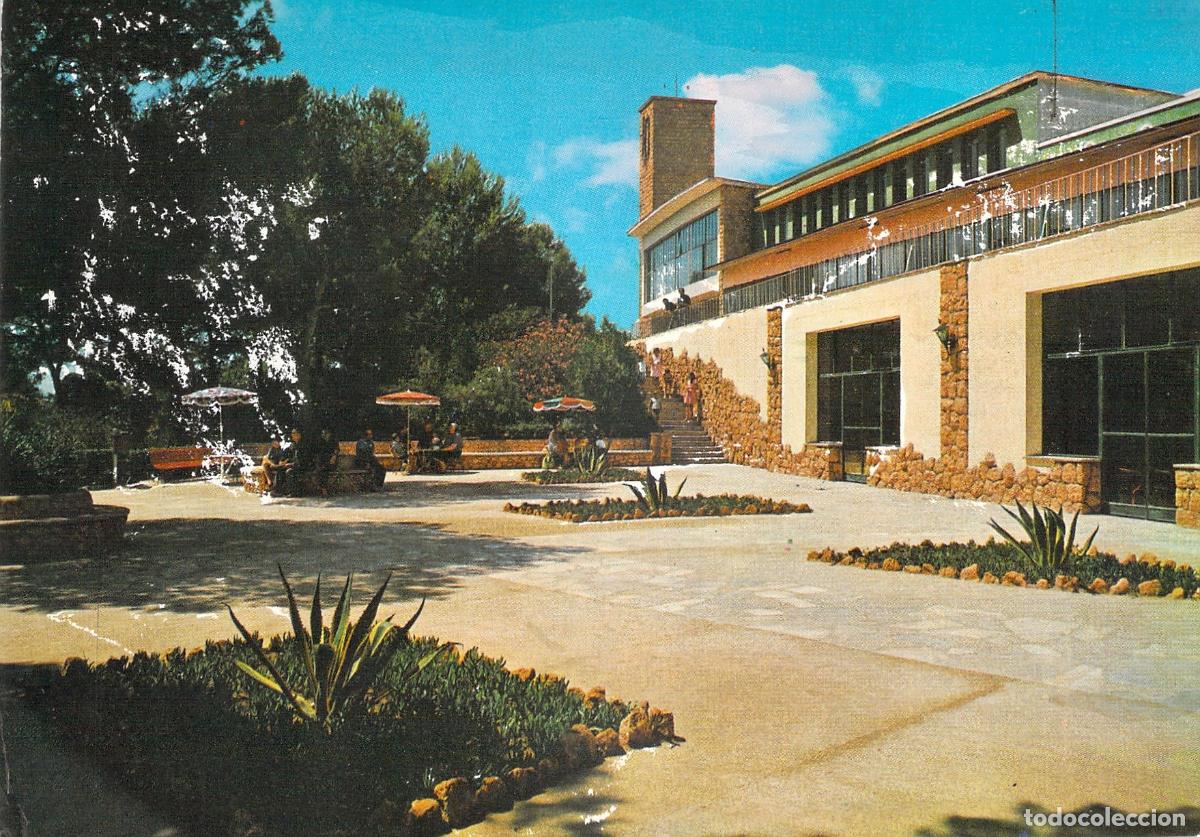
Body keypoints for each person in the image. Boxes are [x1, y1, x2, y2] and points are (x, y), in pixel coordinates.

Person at [316, 428, 339, 495]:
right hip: (323, 462)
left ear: (329, 434)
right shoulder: (321, 442)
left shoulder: (333, 441)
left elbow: (336, 451)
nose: (324, 435)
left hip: (331, 462)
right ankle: (323, 488)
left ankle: (323, 488)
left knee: (323, 470)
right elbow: (319, 453)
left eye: (326, 433)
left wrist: (333, 457)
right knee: (321, 469)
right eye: (323, 434)